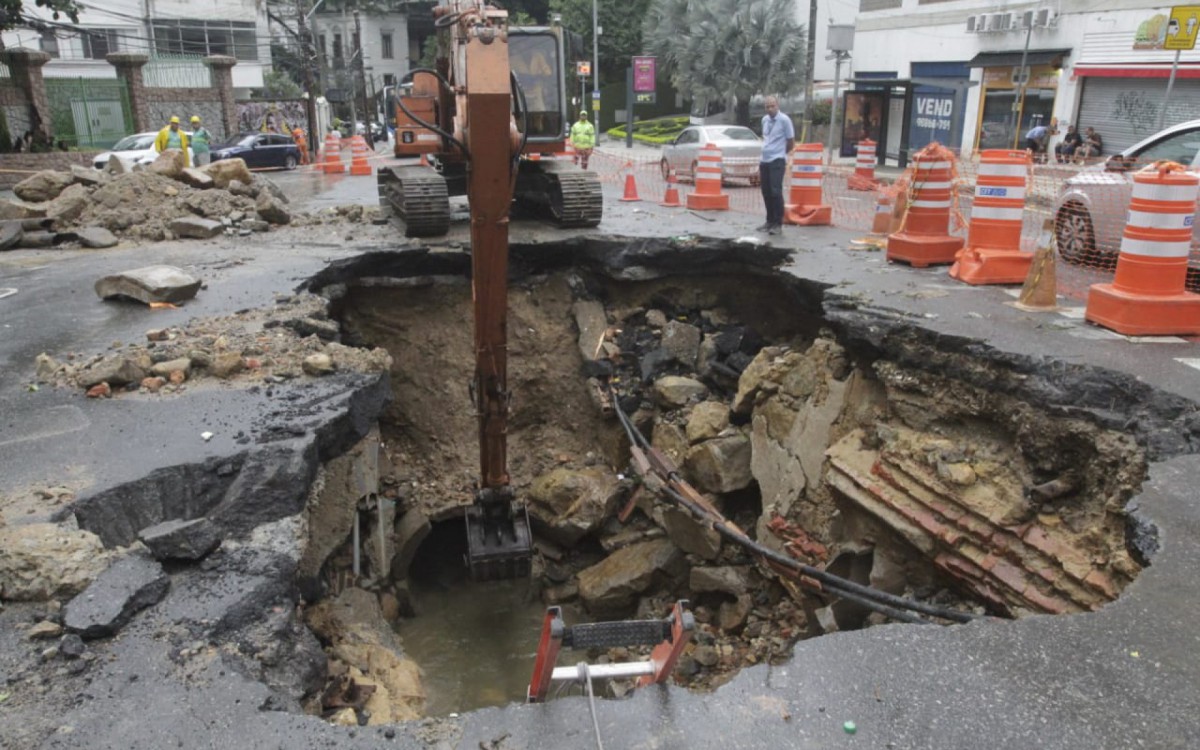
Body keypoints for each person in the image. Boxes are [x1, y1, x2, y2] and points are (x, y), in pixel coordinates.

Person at [757, 95, 794, 235]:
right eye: (767, 106)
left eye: (772, 106)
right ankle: (769, 220)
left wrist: (782, 153)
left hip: (777, 159)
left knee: (775, 191)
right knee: (766, 191)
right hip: (765, 159)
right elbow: (766, 137)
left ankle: (778, 223)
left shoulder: (784, 120)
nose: (770, 108)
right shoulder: (764, 120)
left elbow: (791, 141)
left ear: (777, 106)